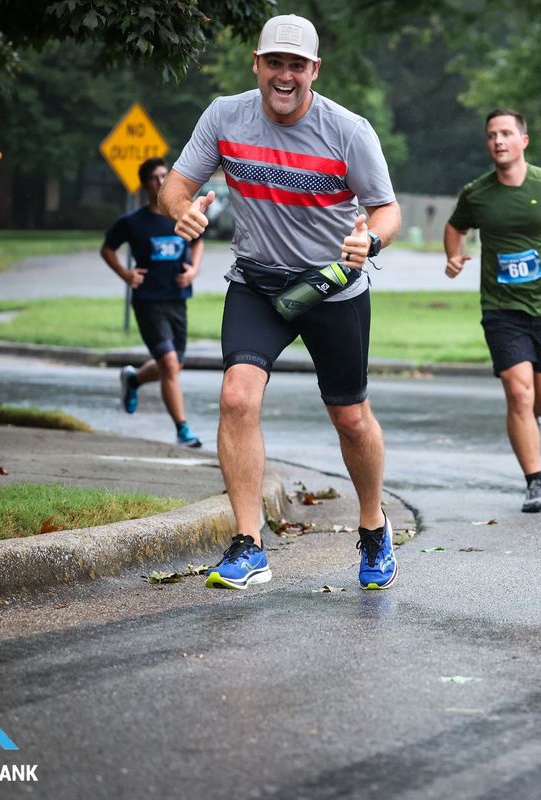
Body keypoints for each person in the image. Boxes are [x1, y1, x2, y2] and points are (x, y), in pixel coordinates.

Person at [159, 14, 402, 591]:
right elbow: (176, 184)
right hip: (258, 283)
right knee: (236, 397)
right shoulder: (224, 115)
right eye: (275, 63)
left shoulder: (348, 130)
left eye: (297, 65)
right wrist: (181, 210)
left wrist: (370, 238)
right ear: (257, 64)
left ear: (314, 70)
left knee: (349, 416)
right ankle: (248, 545)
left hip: (331, 286)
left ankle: (374, 526)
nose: (285, 76)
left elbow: (386, 209)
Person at [444, 108, 541, 513]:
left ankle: (535, 421)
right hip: (502, 309)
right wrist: (454, 255)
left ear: (523, 141)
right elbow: (455, 226)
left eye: (506, 133)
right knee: (518, 392)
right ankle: (535, 482)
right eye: (492, 134)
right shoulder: (477, 192)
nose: (498, 140)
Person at [101, 157, 205, 447]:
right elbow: (107, 249)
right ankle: (183, 429)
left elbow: (197, 242)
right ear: (145, 184)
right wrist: (126, 273)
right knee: (170, 365)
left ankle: (133, 380)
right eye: (155, 178)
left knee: (172, 366)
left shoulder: (179, 216)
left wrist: (194, 270)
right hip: (148, 300)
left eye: (165, 175)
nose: (161, 181)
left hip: (177, 299)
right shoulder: (132, 222)